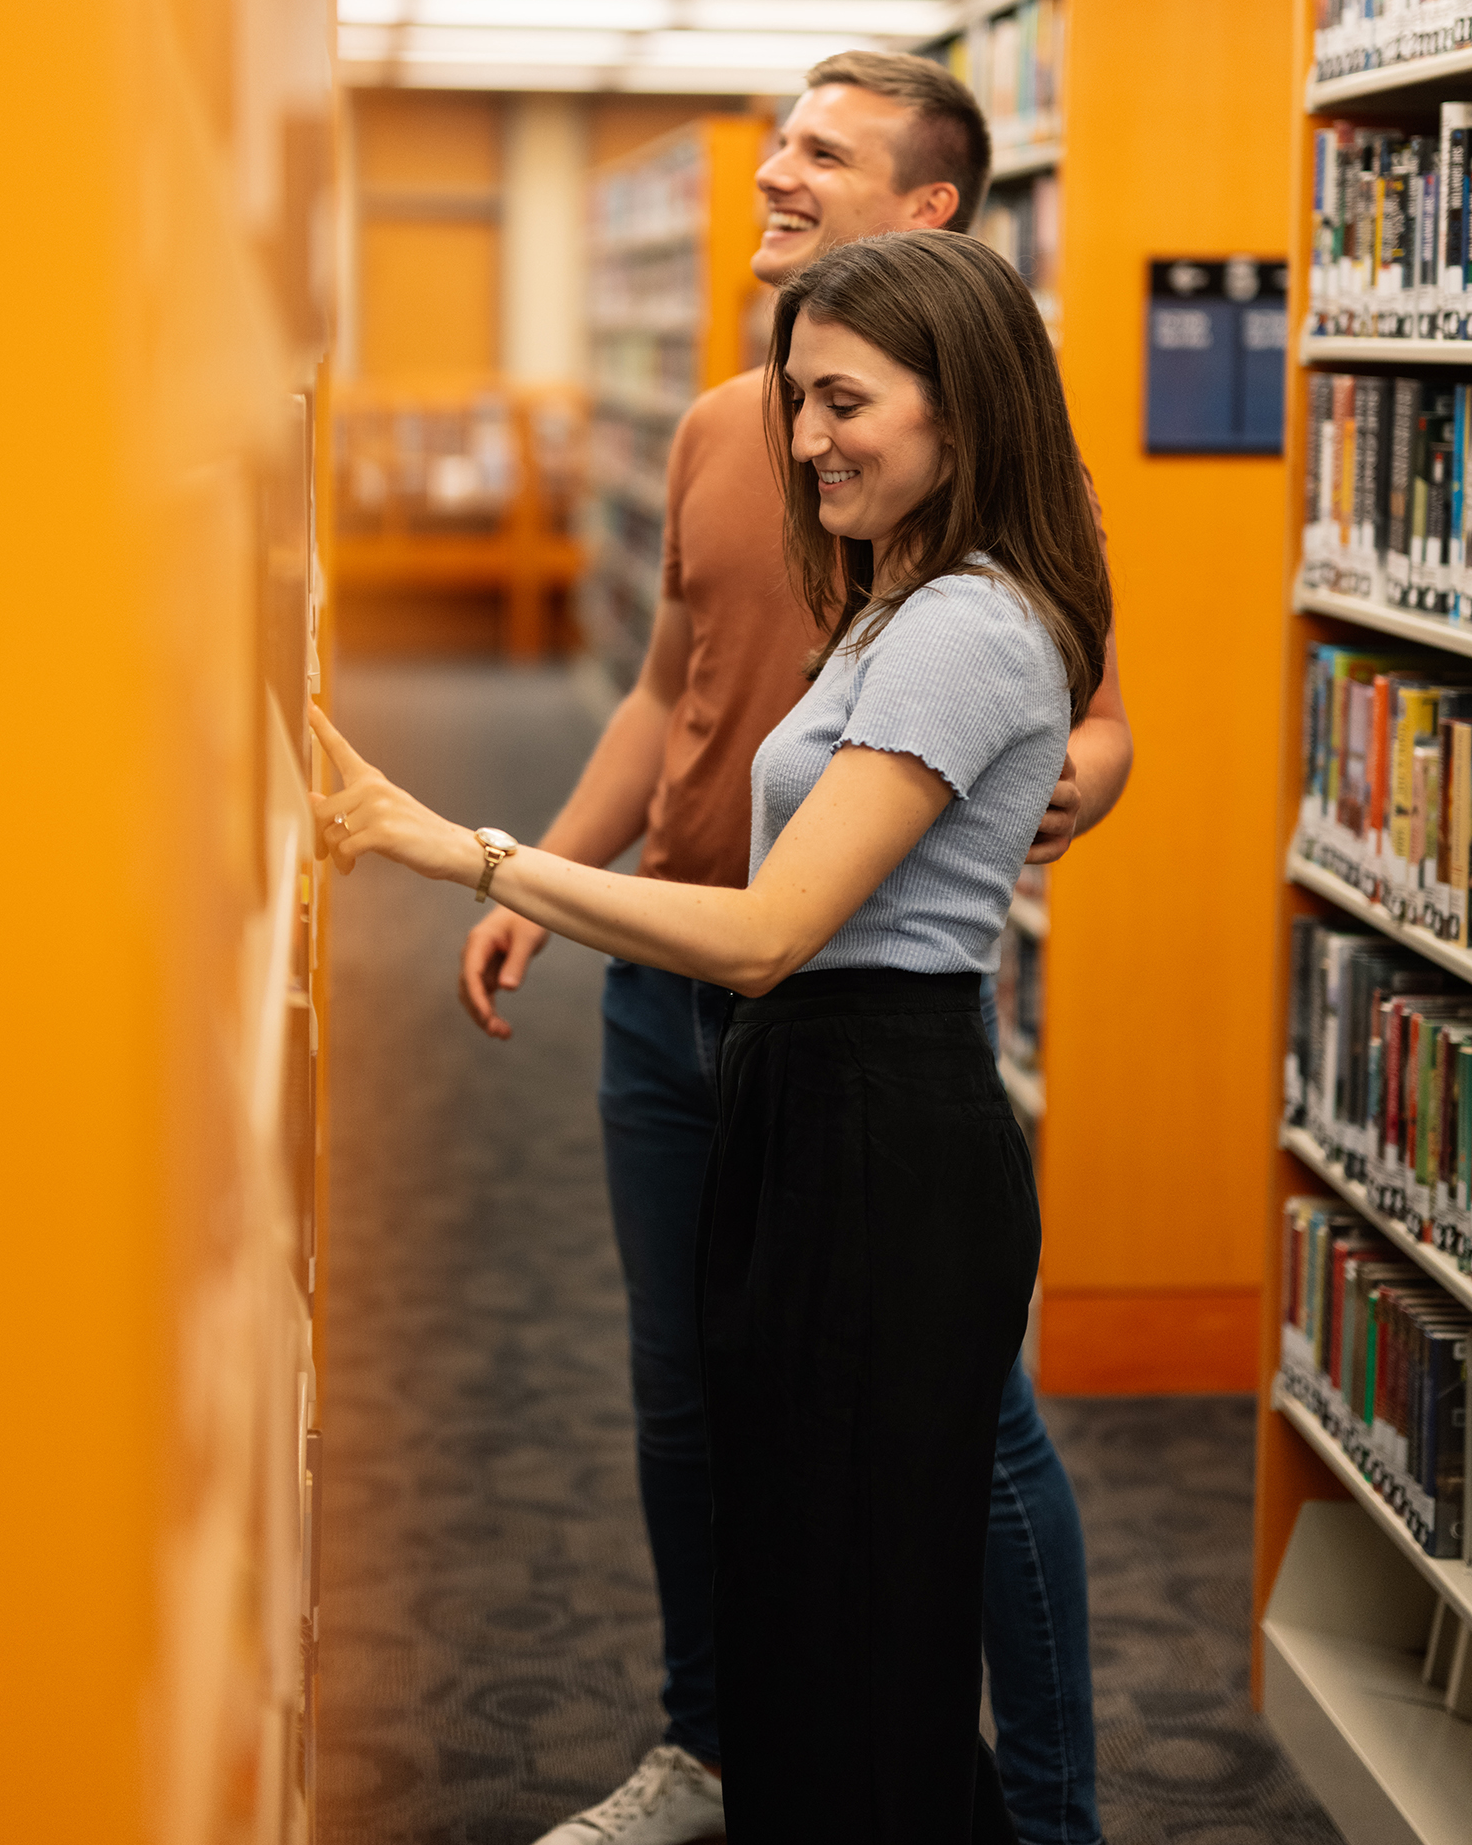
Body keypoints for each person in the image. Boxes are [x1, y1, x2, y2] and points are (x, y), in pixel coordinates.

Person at [309, 227, 1114, 1843]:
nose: (808, 438)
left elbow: (763, 934)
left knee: (862, 1619)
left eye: (844, 400)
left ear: (959, 408)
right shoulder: (895, 598)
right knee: (812, 1598)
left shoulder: (967, 630)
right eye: (798, 402)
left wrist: (463, 849)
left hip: (883, 1127)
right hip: (814, 1108)